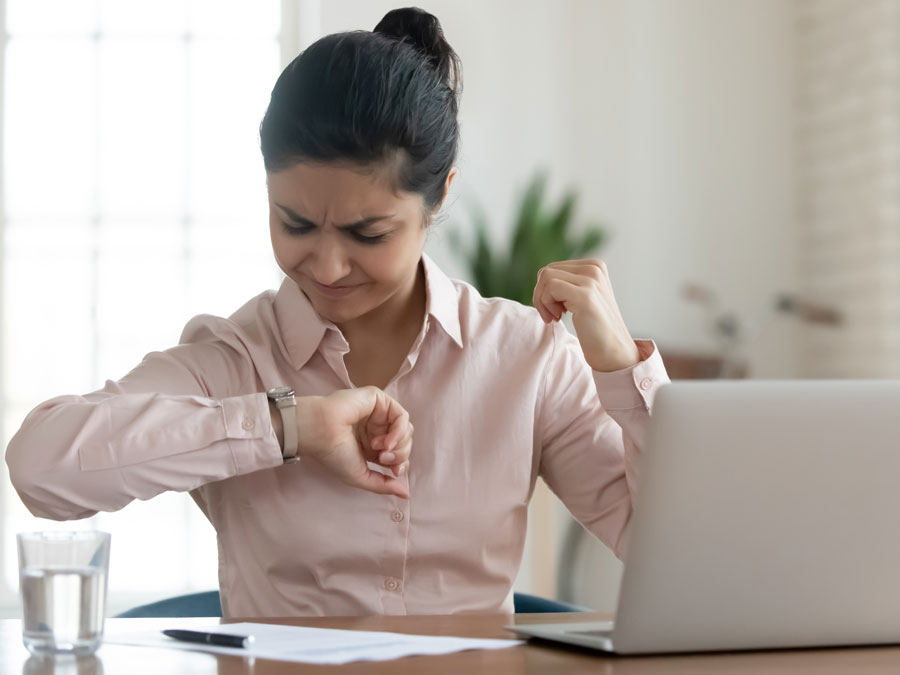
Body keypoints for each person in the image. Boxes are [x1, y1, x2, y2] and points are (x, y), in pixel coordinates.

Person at [6, 7, 669, 618]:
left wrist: (619, 368)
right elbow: (40, 465)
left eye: (366, 233)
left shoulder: (524, 355)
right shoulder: (233, 358)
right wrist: (286, 425)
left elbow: (668, 552)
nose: (325, 266)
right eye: (293, 222)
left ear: (438, 199)